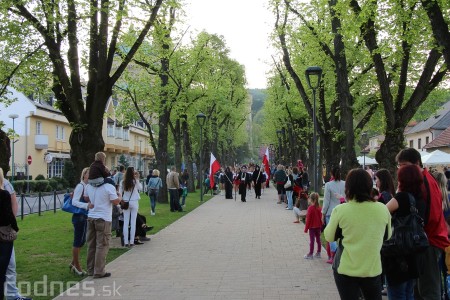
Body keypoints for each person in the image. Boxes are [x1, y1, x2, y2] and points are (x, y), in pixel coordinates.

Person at [324, 168, 392, 300]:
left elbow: (329, 236)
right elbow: (388, 235)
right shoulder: (382, 209)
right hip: (371, 269)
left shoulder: (340, 210)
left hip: (345, 269)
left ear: (348, 187)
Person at [396, 148, 450, 299]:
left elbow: (430, 216)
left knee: (429, 290)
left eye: (404, 165)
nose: (401, 169)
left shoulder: (423, 182)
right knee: (420, 290)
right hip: (427, 241)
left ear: (417, 163)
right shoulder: (424, 179)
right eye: (399, 165)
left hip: (429, 242)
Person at [382, 165, 426, 299]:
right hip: (413, 253)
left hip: (398, 254)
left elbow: (382, 212)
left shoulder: (401, 197)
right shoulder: (420, 198)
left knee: (397, 294)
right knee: (408, 293)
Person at [2, 168, 32, 300]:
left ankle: (12, 294)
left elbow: (13, 204)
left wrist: (10, 226)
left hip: (4, 232)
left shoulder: (6, 185)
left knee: (10, 264)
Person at [84, 172, 121, 278]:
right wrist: (119, 195)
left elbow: (86, 198)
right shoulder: (108, 186)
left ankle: (90, 269)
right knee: (102, 245)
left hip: (91, 217)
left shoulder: (89, 185)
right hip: (103, 218)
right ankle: (99, 271)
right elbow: (115, 202)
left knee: (91, 245)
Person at [0, 169, 19, 300]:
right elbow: (8, 215)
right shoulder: (4, 193)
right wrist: (15, 228)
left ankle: (12, 294)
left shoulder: (6, 189)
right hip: (3, 233)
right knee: (4, 267)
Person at [322, 166, 345, 264]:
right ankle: (340, 254)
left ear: (331, 174)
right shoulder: (345, 184)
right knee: (342, 235)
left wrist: (323, 213)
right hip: (343, 211)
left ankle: (334, 255)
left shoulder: (328, 185)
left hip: (331, 212)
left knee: (331, 234)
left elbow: (326, 201)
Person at [70, 167, 90, 276]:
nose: (90, 175)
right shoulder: (80, 186)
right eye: (88, 173)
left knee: (82, 241)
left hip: (84, 215)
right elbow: (74, 202)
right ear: (84, 175)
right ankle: (77, 266)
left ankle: (73, 262)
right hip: (79, 216)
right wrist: (87, 205)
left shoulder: (87, 186)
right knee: (78, 241)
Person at [119, 167, 142, 247]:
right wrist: (137, 178)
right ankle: (132, 241)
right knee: (133, 223)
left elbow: (119, 193)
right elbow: (140, 188)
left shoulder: (122, 182)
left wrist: (121, 200)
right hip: (134, 202)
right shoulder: (135, 181)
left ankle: (125, 242)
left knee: (126, 222)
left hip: (126, 202)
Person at [304, 192, 322, 259]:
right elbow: (321, 218)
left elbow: (308, 220)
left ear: (311, 199)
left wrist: (306, 229)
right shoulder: (319, 208)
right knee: (318, 240)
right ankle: (318, 253)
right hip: (318, 227)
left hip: (312, 227)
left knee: (312, 241)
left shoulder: (310, 208)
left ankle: (311, 254)